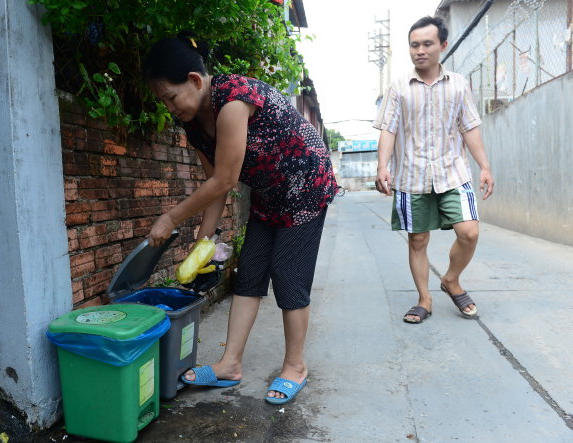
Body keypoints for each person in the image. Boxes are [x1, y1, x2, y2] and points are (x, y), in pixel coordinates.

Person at [143, 32, 337, 404]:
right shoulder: (193, 123)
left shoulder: (233, 99)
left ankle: (295, 366)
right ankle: (230, 364)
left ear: (195, 81)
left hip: (306, 184)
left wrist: (170, 217)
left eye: (170, 97)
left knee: (287, 274)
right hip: (268, 192)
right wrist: (205, 241)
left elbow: (226, 178)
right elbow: (214, 185)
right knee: (248, 273)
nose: (169, 107)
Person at [373, 16, 495, 324]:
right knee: (418, 240)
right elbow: (388, 129)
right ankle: (424, 299)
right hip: (411, 176)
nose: (420, 51)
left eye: (427, 44)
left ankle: (451, 279)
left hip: (453, 172)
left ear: (442, 46)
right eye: (414, 45)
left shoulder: (458, 84)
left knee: (469, 232)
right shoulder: (399, 87)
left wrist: (484, 166)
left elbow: (469, 128)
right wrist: (382, 166)